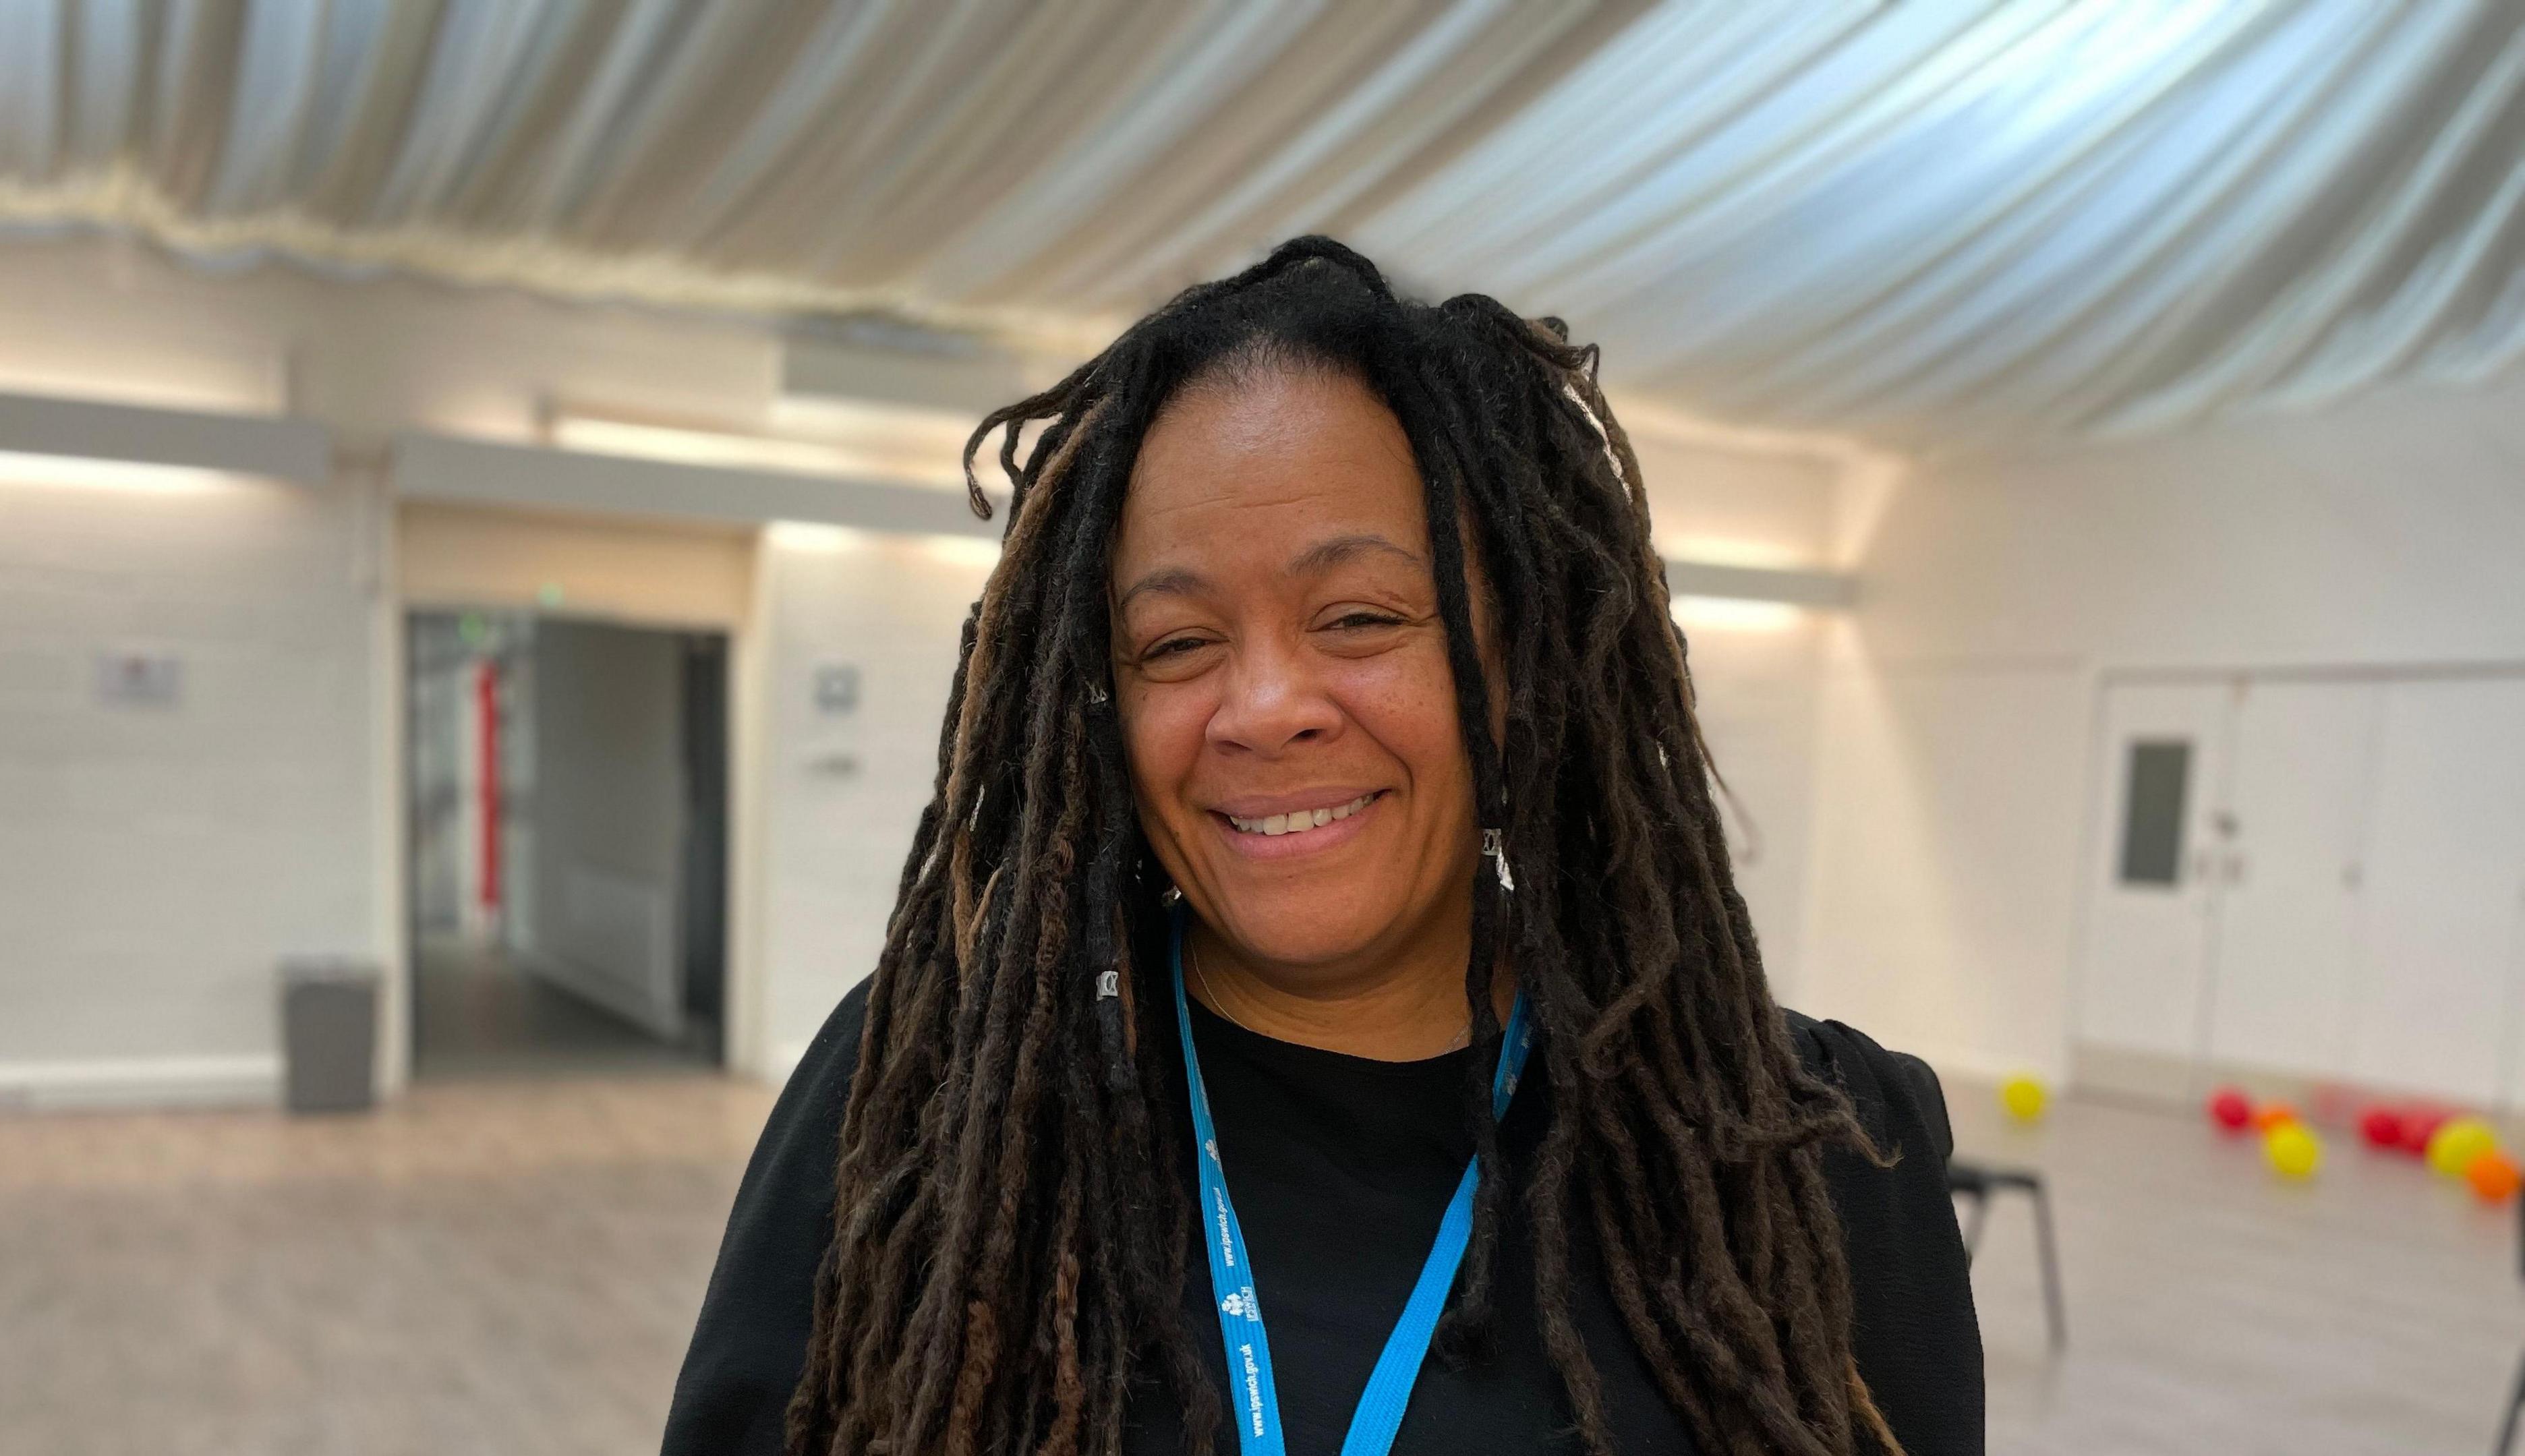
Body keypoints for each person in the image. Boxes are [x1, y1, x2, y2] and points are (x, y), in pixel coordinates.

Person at [661, 237, 1982, 1456]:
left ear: (1522, 659)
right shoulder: (923, 1106)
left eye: (1358, 617)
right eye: (1177, 644)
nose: (1265, 709)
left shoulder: (1810, 1152)